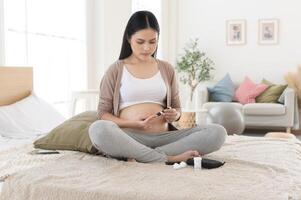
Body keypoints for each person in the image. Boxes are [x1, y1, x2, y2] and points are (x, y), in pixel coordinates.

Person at [89, 10, 226, 163]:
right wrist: (132, 124)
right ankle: (167, 158)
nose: (147, 48)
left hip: (166, 138)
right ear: (129, 38)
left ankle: (145, 156)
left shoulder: (166, 69)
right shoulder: (115, 70)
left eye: (152, 41)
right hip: (129, 137)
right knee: (98, 129)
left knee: (217, 133)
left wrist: (175, 115)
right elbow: (103, 114)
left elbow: (177, 109)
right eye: (140, 42)